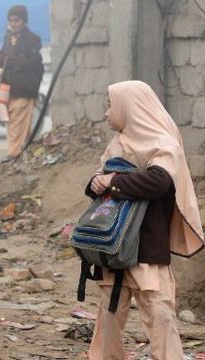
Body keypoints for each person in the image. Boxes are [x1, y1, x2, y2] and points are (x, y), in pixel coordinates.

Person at [85, 81, 204, 360]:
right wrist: (97, 182)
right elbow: (94, 185)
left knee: (160, 314)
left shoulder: (164, 145)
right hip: (114, 245)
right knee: (109, 316)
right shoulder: (117, 144)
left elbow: (158, 181)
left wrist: (113, 181)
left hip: (147, 246)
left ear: (131, 107)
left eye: (110, 106)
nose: (106, 113)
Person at [0, 5, 44, 162]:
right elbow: (1, 57)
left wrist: (13, 60)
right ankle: (19, 155)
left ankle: (14, 154)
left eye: (16, 20)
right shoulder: (8, 38)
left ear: (24, 21)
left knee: (18, 123)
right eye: (10, 20)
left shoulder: (32, 40)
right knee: (13, 124)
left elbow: (35, 65)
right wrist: (5, 59)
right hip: (9, 89)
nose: (13, 24)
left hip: (25, 89)